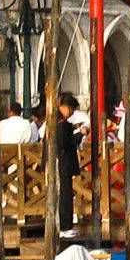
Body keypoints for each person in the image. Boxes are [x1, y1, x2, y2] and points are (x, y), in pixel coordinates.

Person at [53, 93, 82, 238]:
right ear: (63, 107)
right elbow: (66, 142)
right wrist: (80, 134)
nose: (70, 112)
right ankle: (65, 226)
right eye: (70, 109)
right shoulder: (61, 124)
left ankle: (64, 226)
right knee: (66, 196)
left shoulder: (57, 122)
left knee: (65, 195)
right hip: (64, 163)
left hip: (61, 163)